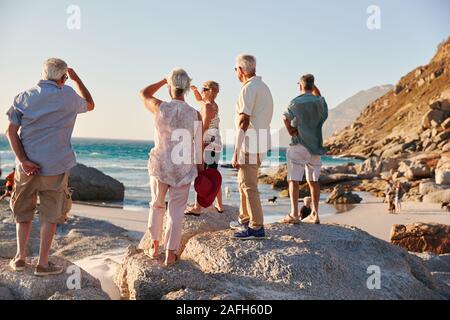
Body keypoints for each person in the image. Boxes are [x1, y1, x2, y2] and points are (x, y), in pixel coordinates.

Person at [6, 58, 95, 276]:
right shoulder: (68, 96)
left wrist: (24, 161)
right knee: (50, 214)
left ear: (43, 74)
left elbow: (10, 132)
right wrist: (77, 80)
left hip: (26, 167)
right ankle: (43, 264)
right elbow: (90, 104)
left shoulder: (24, 96)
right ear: (64, 78)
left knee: (23, 211)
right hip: (56, 166)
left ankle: (20, 258)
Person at [139, 68, 203, 267]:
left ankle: (155, 247)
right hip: (183, 168)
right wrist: (201, 171)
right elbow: (199, 146)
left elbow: (143, 93)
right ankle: (170, 253)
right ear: (186, 88)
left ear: (170, 87)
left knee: (157, 206)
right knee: (176, 212)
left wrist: (162, 80)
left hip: (161, 165)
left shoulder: (160, 107)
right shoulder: (195, 115)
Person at [230, 54, 274, 240]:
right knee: (244, 183)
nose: (235, 73)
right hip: (261, 141)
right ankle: (245, 220)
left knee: (249, 186)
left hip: (250, 143)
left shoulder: (248, 89)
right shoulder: (264, 87)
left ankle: (256, 228)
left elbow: (244, 122)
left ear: (240, 70)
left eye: (235, 69)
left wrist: (235, 151)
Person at [281, 74, 328, 225]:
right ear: (313, 86)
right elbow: (320, 97)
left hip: (299, 144)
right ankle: (315, 214)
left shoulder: (295, 103)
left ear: (300, 86)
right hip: (315, 147)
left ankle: (294, 214)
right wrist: (314, 89)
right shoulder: (320, 102)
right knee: (313, 181)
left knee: (293, 179)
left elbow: (284, 117)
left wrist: (290, 130)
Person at [185, 81, 224, 215]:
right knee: (213, 173)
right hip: (215, 142)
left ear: (209, 91)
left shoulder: (207, 107)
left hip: (208, 142)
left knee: (203, 174)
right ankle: (220, 205)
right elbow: (199, 100)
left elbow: (205, 126)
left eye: (203, 89)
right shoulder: (212, 104)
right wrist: (195, 90)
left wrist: (198, 141)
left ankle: (198, 207)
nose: (201, 91)